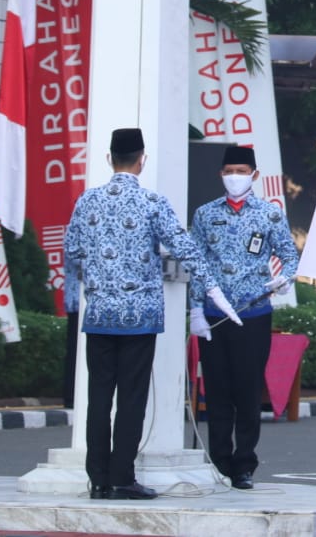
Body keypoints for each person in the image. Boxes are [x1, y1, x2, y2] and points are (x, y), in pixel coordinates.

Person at [64, 128, 240, 501]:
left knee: (99, 398)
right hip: (140, 316)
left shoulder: (87, 201)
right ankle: (121, 477)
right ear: (142, 160)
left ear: (109, 159)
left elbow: (73, 250)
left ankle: (97, 479)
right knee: (131, 398)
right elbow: (186, 250)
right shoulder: (152, 202)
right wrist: (213, 289)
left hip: (99, 315)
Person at [189, 144, 300, 491]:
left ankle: (244, 464)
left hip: (254, 312)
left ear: (253, 175)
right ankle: (220, 461)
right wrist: (195, 310)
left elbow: (289, 255)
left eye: (241, 171)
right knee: (217, 391)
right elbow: (196, 265)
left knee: (248, 390)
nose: (234, 177)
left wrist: (285, 279)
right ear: (221, 174)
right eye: (228, 171)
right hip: (213, 316)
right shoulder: (205, 214)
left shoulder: (270, 214)